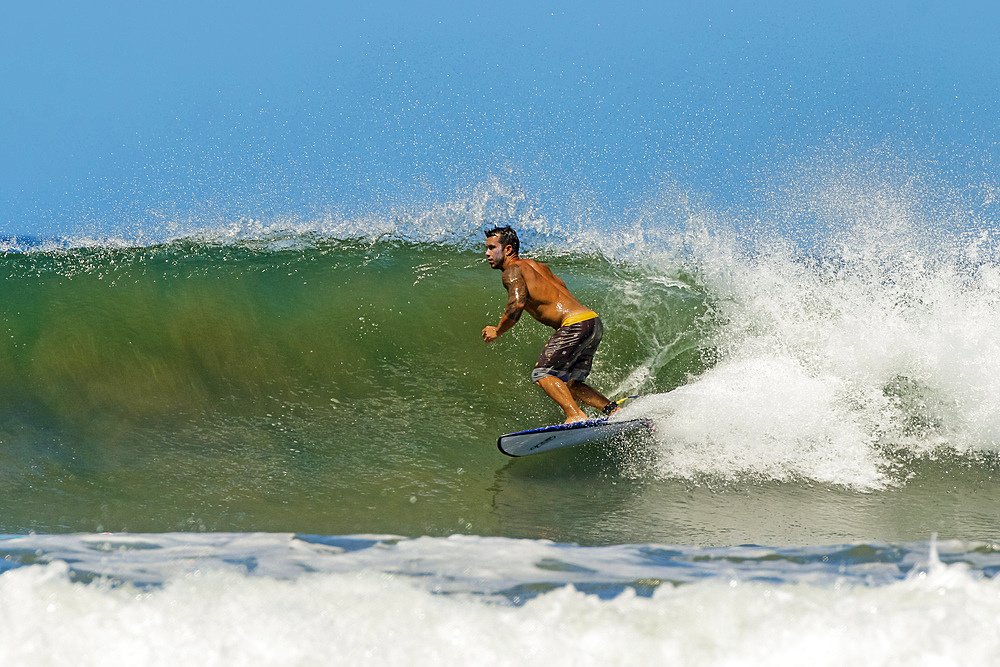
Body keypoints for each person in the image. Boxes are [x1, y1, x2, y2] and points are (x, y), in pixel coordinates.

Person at [482, 226, 618, 423]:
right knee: (571, 383)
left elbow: (516, 304)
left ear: (509, 249)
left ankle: (575, 415)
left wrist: (498, 330)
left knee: (543, 374)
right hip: (591, 321)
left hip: (574, 324)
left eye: (492, 248)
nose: (487, 253)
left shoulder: (512, 271)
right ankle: (614, 411)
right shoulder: (539, 267)